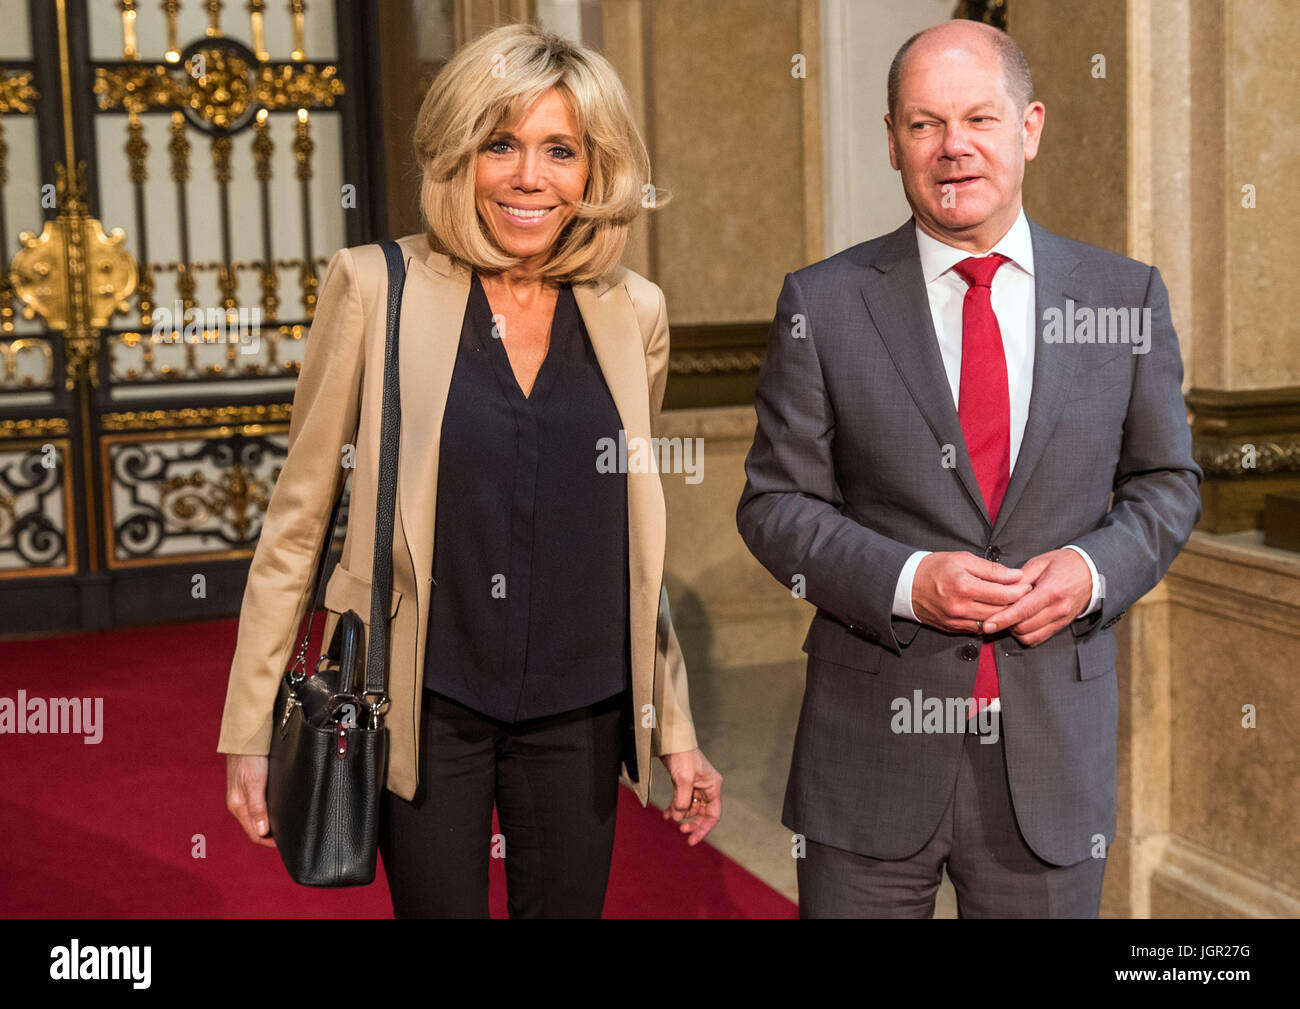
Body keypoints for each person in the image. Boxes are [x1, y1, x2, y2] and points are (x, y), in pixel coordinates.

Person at [218, 22, 721, 918]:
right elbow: (296, 523)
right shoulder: (377, 287)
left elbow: (632, 544)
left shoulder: (631, 310)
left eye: (560, 150)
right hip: (426, 695)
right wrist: (252, 724)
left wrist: (672, 724)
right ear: (459, 154)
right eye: (502, 145)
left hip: (583, 702)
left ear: (594, 170)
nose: (530, 177)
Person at [737, 18, 1201, 917]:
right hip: (867, 757)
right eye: (924, 124)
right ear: (893, 141)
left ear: (1028, 128)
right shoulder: (823, 303)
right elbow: (775, 505)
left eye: (978, 120)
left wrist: (1093, 569)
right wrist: (908, 580)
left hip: (1049, 769)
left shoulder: (1123, 296)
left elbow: (1166, 482)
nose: (953, 148)